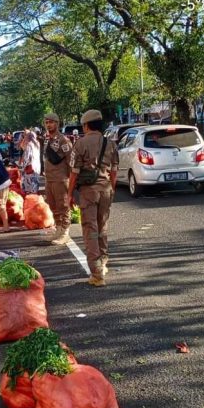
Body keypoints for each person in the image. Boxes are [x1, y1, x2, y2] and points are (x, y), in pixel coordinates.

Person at [67, 109, 119, 287]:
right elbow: (114, 171)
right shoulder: (110, 143)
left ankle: (97, 274)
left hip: (88, 192)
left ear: (86, 125)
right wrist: (112, 189)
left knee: (90, 229)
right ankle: (103, 261)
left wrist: (69, 195)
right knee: (102, 225)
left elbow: (74, 173)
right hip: (106, 189)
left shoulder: (80, 144)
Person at [43, 112, 73, 245]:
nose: (49, 125)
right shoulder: (46, 139)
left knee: (63, 205)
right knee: (52, 204)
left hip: (61, 179)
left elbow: (71, 160)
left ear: (57, 123)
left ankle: (65, 232)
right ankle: (59, 228)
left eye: (51, 122)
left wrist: (72, 179)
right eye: (47, 122)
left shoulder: (63, 140)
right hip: (49, 179)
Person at [20, 130, 41, 194]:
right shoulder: (37, 143)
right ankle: (35, 198)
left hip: (30, 167)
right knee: (35, 183)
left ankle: (31, 199)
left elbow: (27, 157)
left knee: (29, 185)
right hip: (37, 167)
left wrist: (22, 168)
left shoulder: (29, 145)